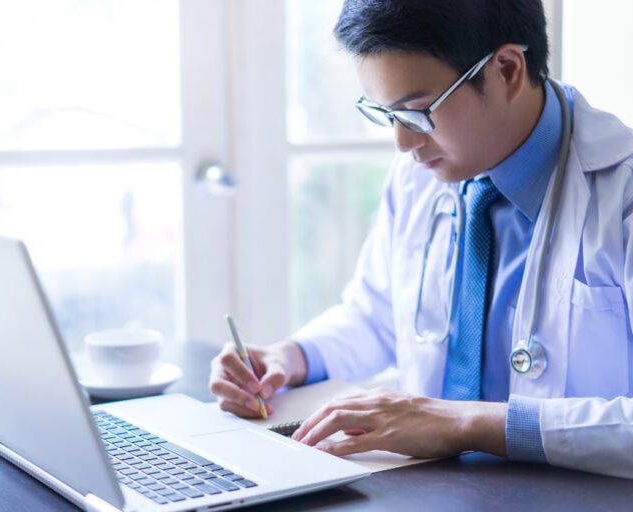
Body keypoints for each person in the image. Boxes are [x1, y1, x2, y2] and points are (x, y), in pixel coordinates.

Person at [209, 0, 633, 479]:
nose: (403, 143)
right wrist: (291, 357)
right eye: (385, 114)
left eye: (416, 112)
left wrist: (471, 424)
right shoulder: (420, 173)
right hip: (424, 488)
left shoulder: (622, 195)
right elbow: (378, 317)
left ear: (508, 70)